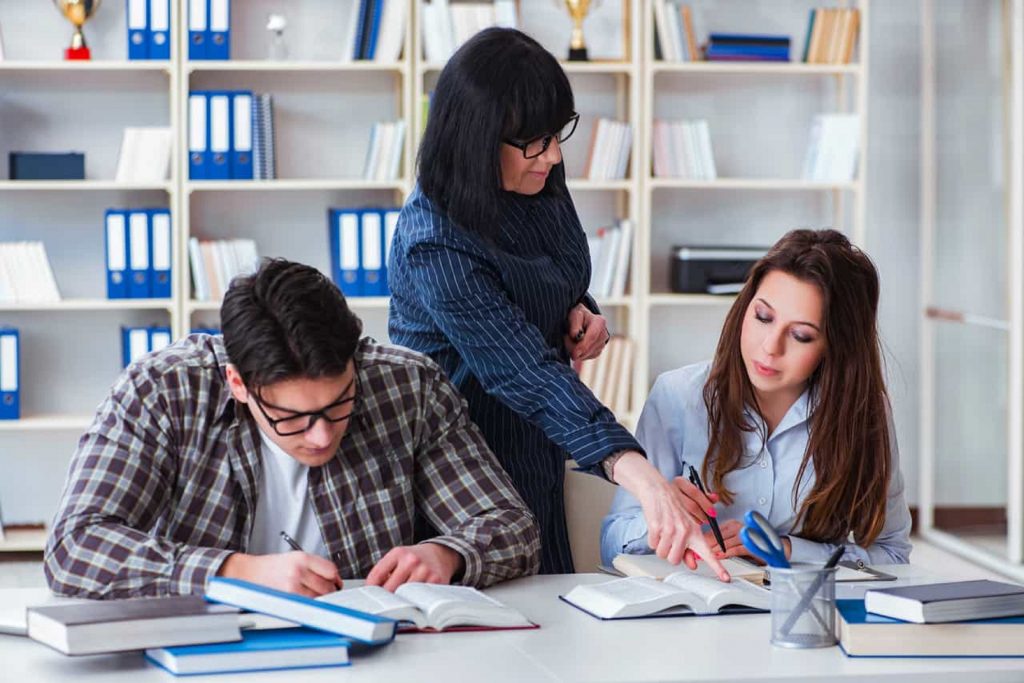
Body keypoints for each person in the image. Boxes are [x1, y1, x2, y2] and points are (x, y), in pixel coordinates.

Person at [387, 27, 726, 578]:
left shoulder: (536, 170)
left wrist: (578, 308)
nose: (554, 155)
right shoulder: (435, 238)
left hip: (538, 445)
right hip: (461, 468)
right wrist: (640, 473)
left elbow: (556, 270)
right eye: (535, 143)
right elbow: (527, 371)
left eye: (556, 135)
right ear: (477, 141)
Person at [44, 259, 540, 599]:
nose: (321, 436)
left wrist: (445, 553)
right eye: (291, 418)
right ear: (237, 383)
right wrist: (238, 572)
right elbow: (74, 548)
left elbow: (512, 526)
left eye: (338, 403)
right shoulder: (162, 390)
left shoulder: (407, 384)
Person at [601, 229, 912, 568]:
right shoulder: (678, 395)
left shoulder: (863, 413)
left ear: (836, 347)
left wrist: (788, 550)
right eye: (763, 317)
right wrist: (662, 517)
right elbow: (611, 544)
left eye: (801, 335)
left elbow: (893, 554)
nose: (770, 347)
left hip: (804, 611)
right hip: (695, 607)